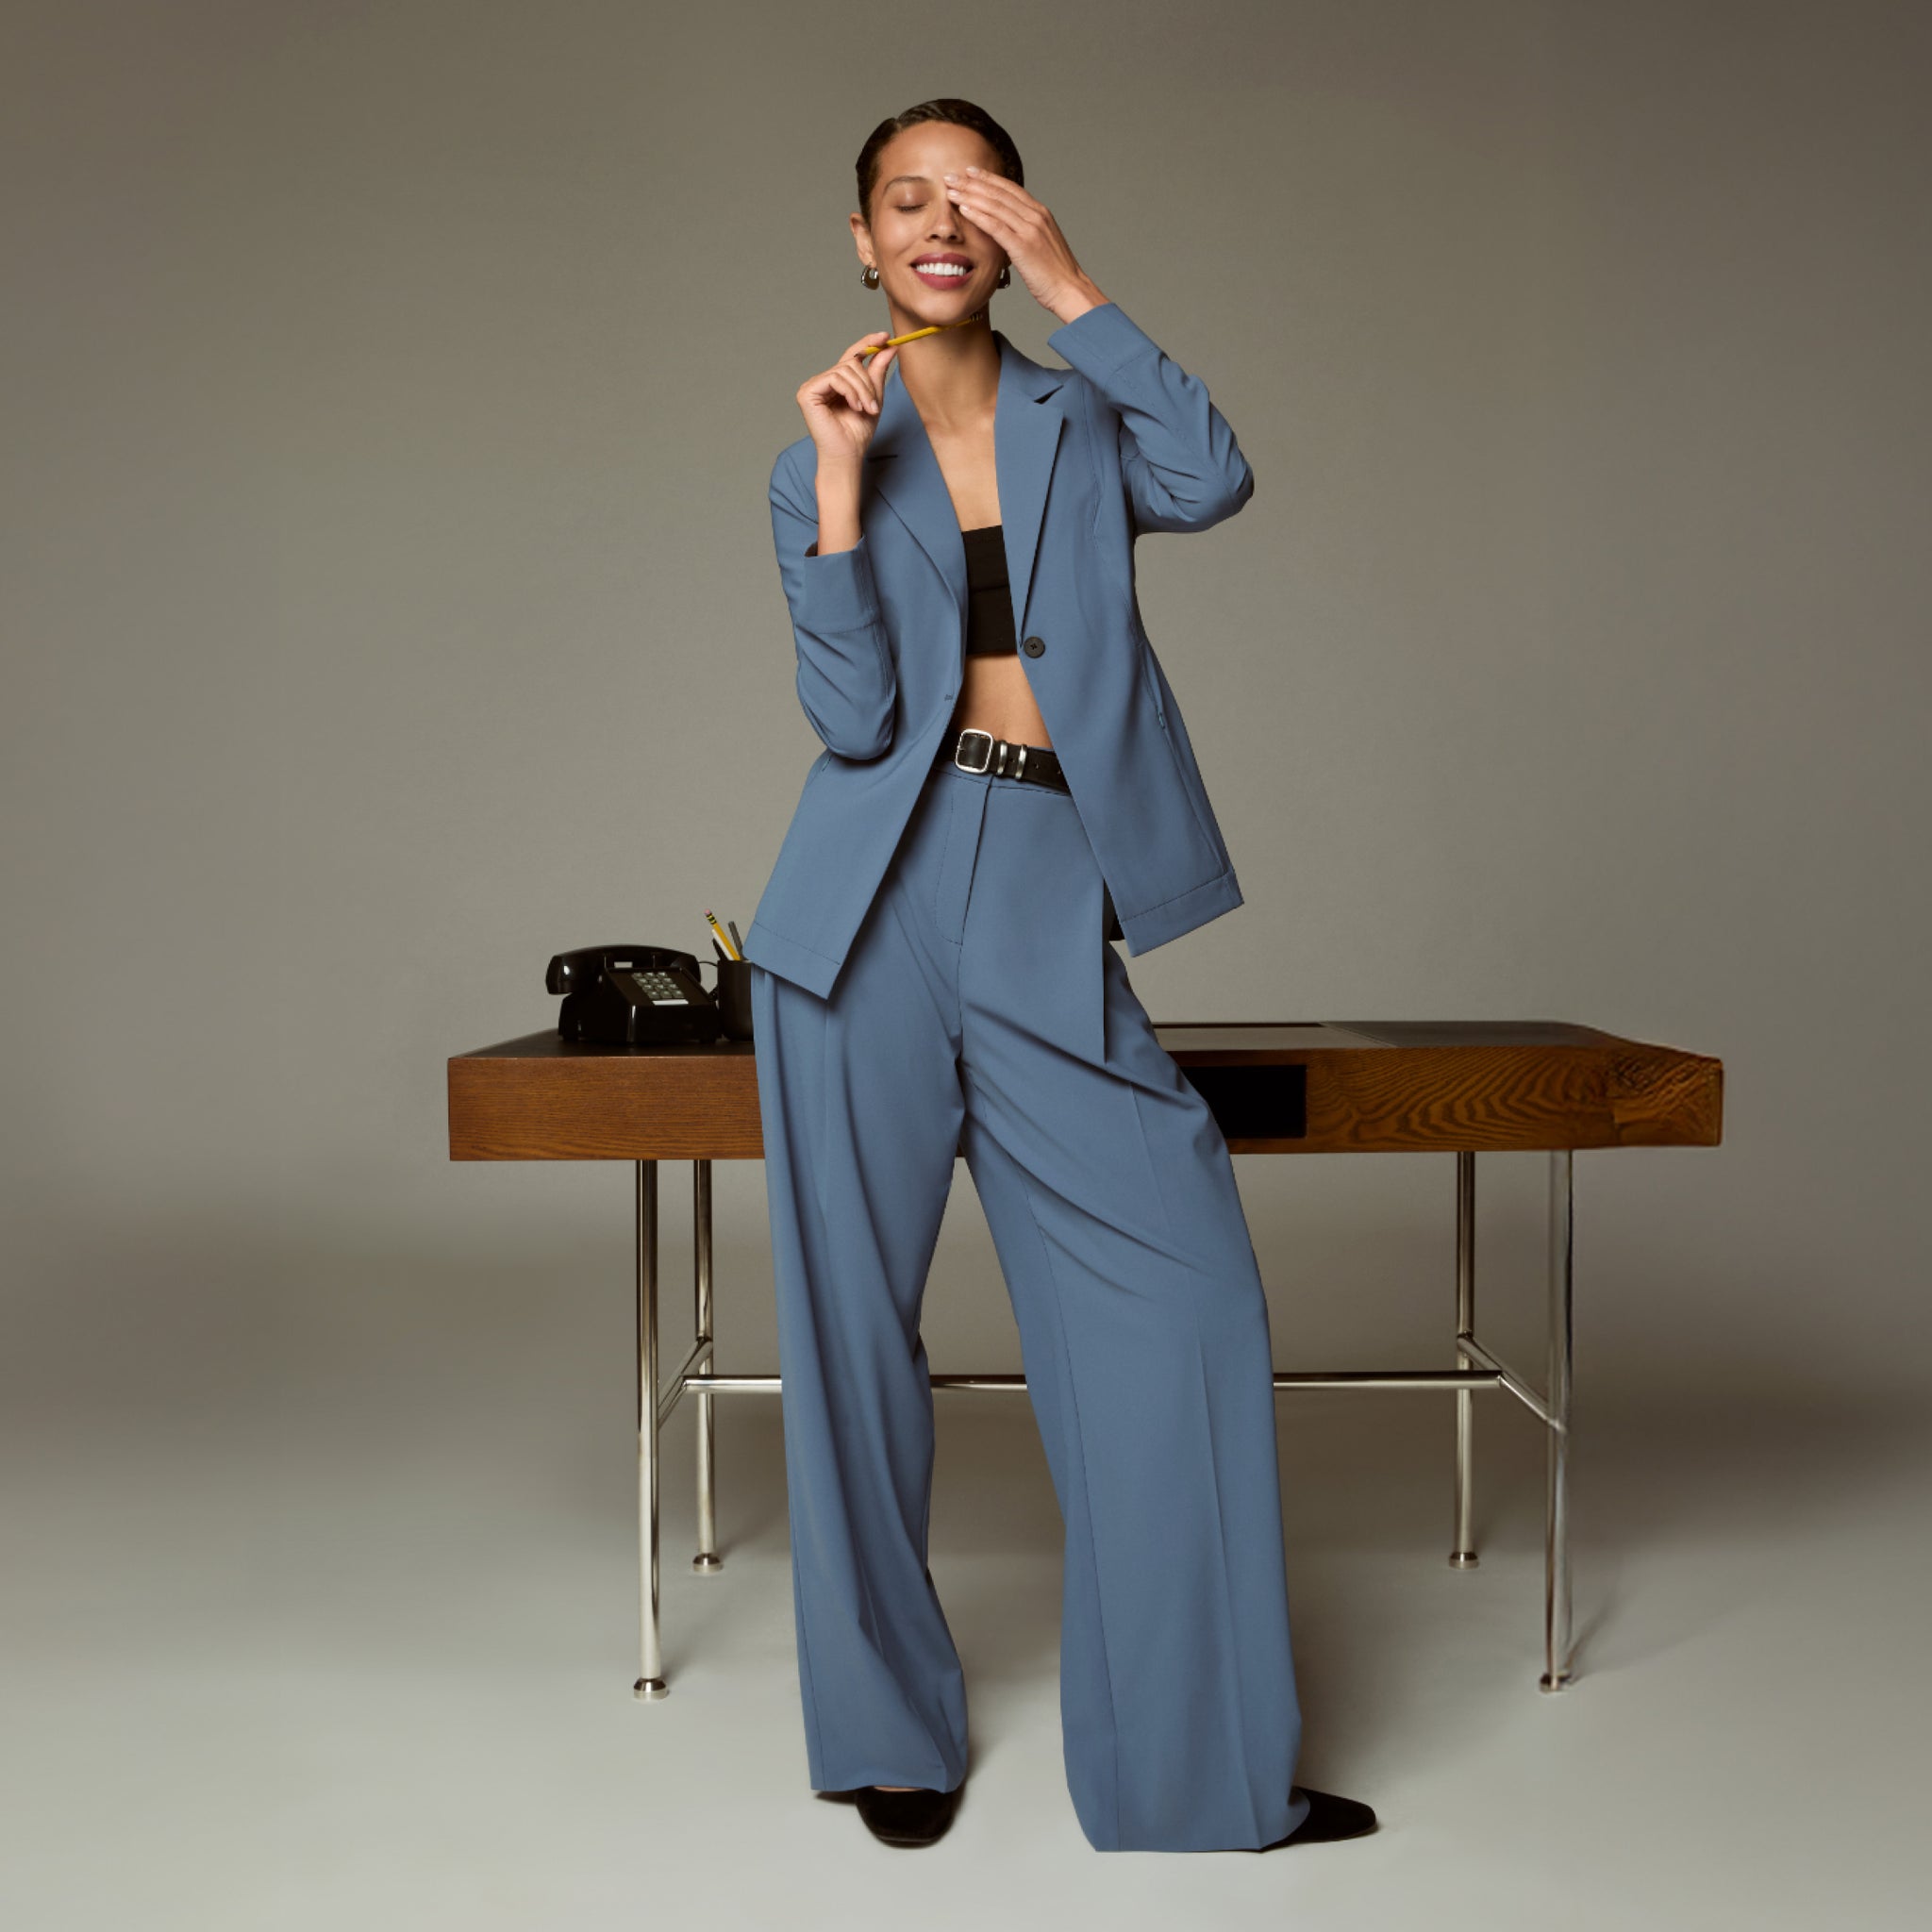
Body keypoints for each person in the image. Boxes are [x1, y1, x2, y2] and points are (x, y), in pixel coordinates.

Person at [742, 98, 1377, 1856]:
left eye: (971, 195)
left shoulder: (1079, 414)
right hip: (856, 912)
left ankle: (1195, 1770)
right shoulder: (820, 454)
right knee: (852, 1338)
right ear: (860, 242)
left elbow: (1215, 475)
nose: (937, 222)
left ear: (1007, 220)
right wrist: (844, 495)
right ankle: (887, 1736)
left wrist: (1079, 286)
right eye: (902, 199)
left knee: (1177, 1307)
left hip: (1043, 880)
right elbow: (858, 716)